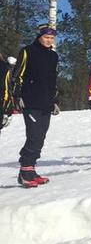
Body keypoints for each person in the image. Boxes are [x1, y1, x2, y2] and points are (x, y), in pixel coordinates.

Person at [9, 23, 59, 187]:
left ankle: (31, 170)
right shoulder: (27, 51)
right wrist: (17, 95)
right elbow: (17, 75)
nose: (49, 40)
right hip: (30, 101)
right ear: (39, 37)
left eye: (51, 38)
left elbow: (53, 80)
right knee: (34, 135)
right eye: (46, 37)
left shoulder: (53, 56)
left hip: (46, 102)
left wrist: (55, 100)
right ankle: (24, 172)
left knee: (41, 137)